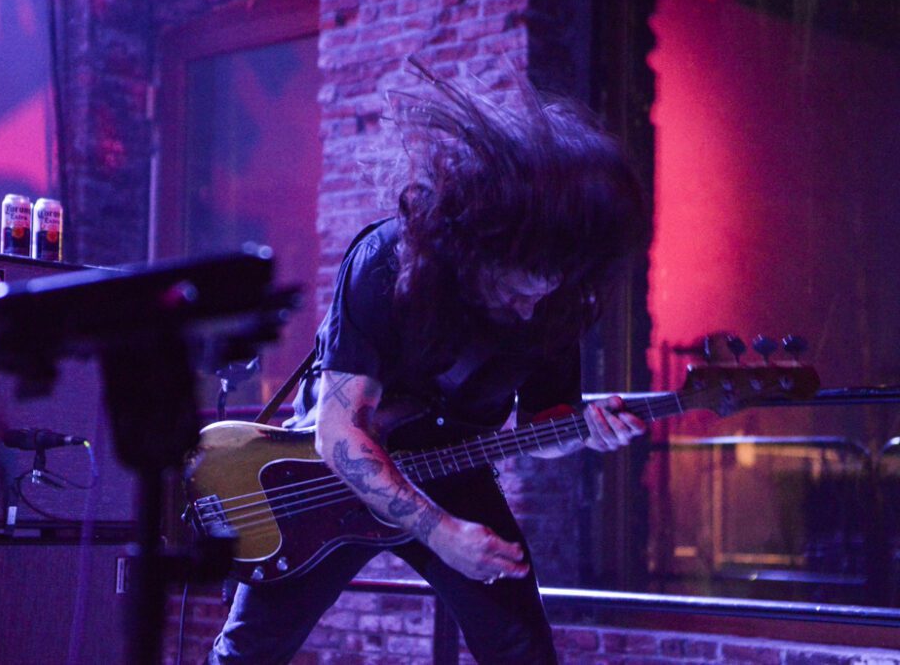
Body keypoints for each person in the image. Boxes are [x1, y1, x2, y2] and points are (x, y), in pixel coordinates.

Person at [210, 62, 651, 664]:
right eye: (516, 292)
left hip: (454, 469)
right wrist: (440, 533)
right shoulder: (386, 261)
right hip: (332, 474)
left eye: (544, 295)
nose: (529, 310)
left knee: (523, 651)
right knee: (248, 652)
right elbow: (341, 433)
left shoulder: (556, 302)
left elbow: (540, 426)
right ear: (480, 247)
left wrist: (582, 431)